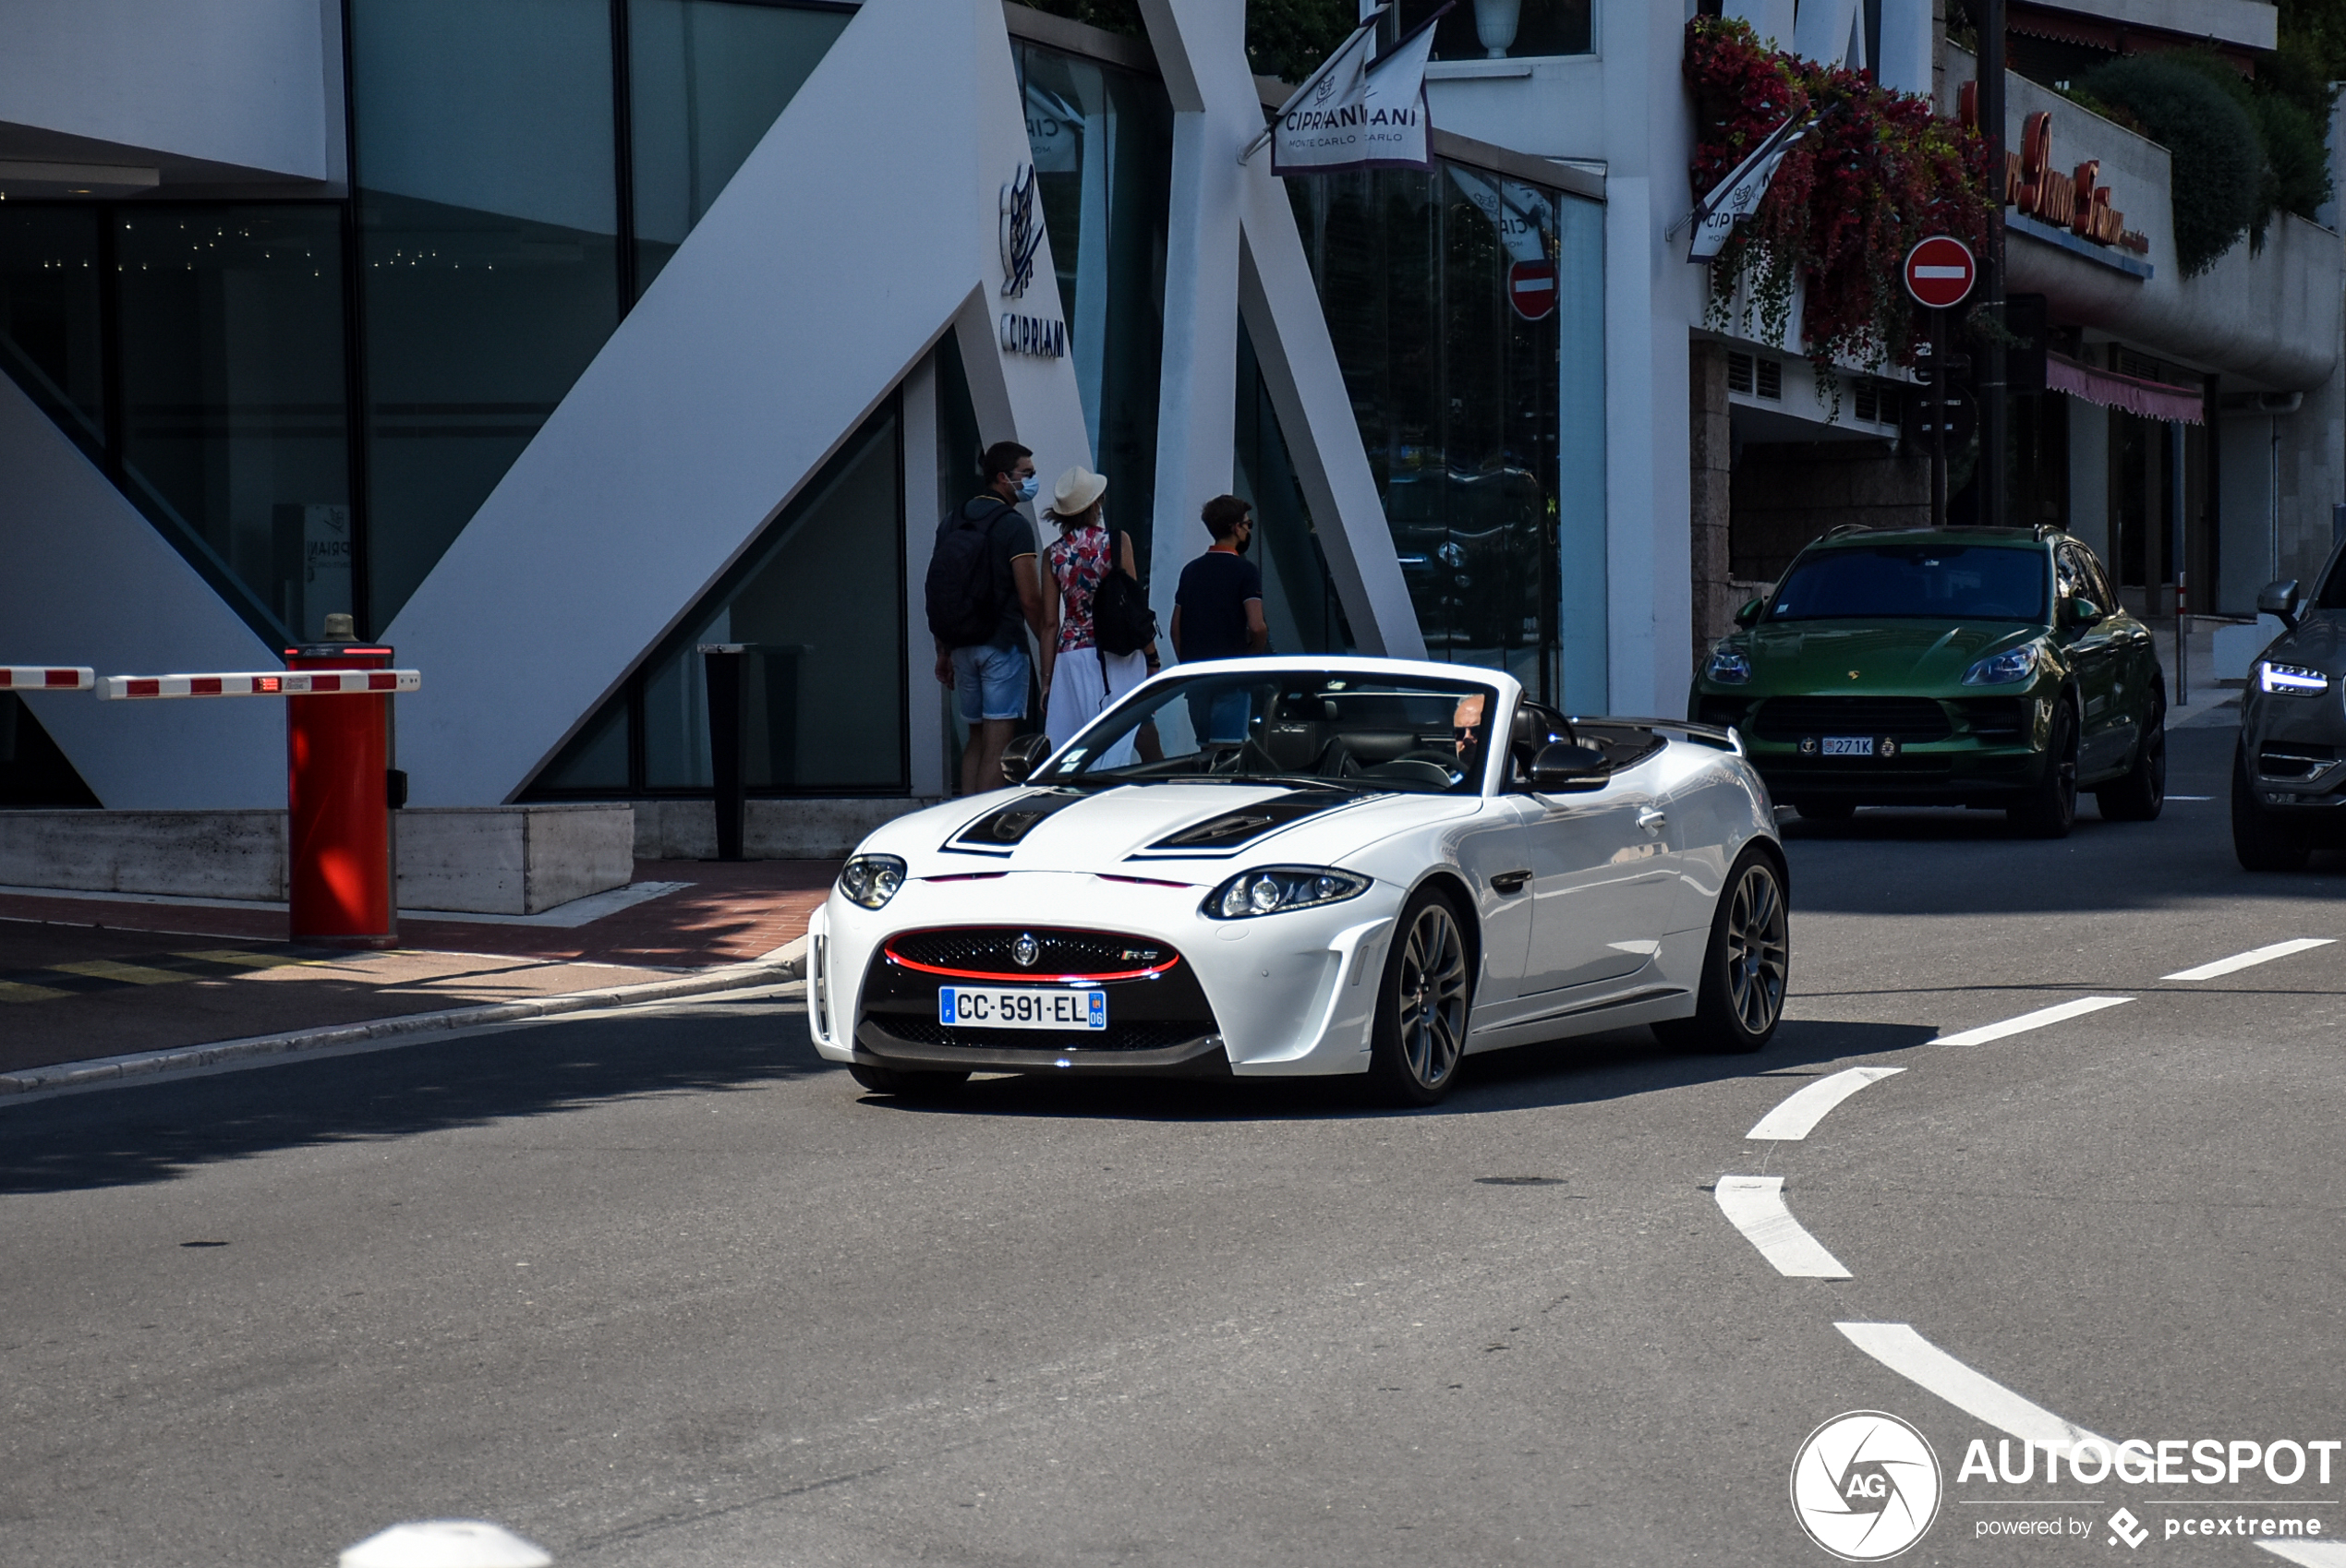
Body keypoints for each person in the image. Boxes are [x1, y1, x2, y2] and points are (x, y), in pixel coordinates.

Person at [931, 440, 1046, 794]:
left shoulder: (953, 520)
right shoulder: (1014, 525)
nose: (1031, 481)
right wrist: (1047, 643)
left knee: (976, 740)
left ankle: (960, 825)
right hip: (1003, 645)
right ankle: (982, 833)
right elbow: (1029, 597)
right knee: (1000, 746)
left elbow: (939, 589)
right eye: (1026, 474)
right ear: (1002, 477)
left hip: (961, 644)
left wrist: (943, 651)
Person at [1038, 466, 1161, 766]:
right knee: (1128, 729)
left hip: (1071, 655)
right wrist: (1152, 657)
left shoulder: (1052, 553)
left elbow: (1050, 623)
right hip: (1115, 650)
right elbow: (1133, 606)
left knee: (1076, 746)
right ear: (1096, 503)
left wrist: (1047, 681)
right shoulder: (1117, 542)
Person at [1170, 494, 1268, 743]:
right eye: (1248, 525)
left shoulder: (1190, 570)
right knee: (1227, 753)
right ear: (1236, 528)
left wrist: (1188, 664)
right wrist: (1251, 654)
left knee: (1204, 753)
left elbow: (1175, 629)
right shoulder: (1246, 571)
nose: (1248, 530)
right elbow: (1257, 627)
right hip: (1231, 675)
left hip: (1197, 677)